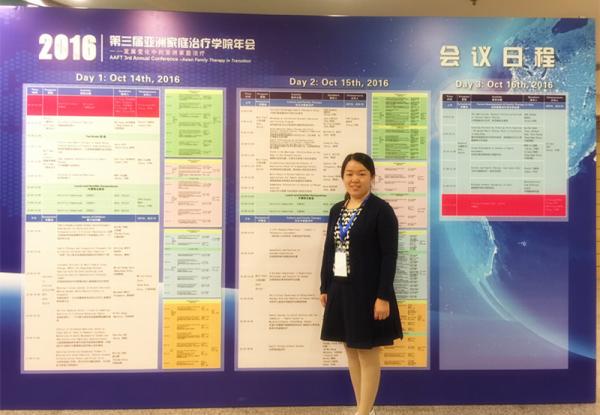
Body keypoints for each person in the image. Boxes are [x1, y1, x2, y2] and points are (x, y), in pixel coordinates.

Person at [320, 152, 403, 415]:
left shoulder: (381, 210)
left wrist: (383, 296)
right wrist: (324, 286)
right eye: (349, 174)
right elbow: (329, 250)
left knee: (367, 352)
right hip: (341, 289)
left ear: (372, 177)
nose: (354, 179)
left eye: (361, 173)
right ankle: (364, 408)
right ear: (342, 177)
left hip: (368, 293)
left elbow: (389, 256)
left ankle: (363, 412)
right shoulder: (337, 209)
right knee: (351, 351)